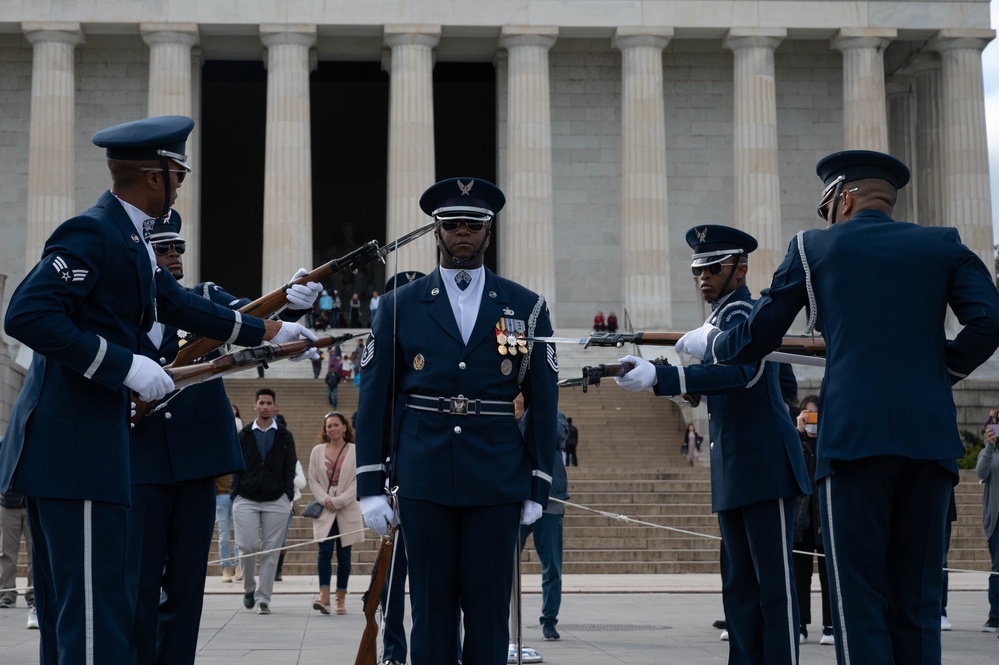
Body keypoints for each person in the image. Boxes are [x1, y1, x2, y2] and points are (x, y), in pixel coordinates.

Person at [0, 115, 315, 664]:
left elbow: (181, 305)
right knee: (93, 620)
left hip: (89, 449)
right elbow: (27, 313)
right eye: (179, 175)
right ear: (155, 177)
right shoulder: (95, 232)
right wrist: (121, 365)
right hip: (76, 452)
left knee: (76, 615)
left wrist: (275, 328)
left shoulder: (129, 240)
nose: (180, 186)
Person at [676, 150, 999, 664]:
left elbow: (762, 331)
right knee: (916, 603)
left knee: (857, 601)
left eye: (827, 205)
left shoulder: (812, 248)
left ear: (843, 198)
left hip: (853, 440)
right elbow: (988, 322)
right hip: (929, 439)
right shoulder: (943, 244)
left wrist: (711, 345)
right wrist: (943, 374)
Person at [355, 177, 558, 665]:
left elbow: (544, 403)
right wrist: (369, 485)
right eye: (452, 224)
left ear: (489, 233)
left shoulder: (527, 307)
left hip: (496, 478)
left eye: (473, 224)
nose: (462, 232)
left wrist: (539, 481)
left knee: (489, 615)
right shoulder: (400, 307)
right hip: (424, 477)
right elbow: (375, 399)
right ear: (436, 231)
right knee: (430, 611)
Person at [127, 213, 321, 664]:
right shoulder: (120, 309)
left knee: (186, 583)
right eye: (163, 249)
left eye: (178, 249)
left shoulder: (204, 299)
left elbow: (252, 316)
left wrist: (291, 305)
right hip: (138, 457)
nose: (174, 256)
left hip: (197, 459)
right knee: (136, 581)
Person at [616, 224, 810, 664]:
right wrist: (670, 381)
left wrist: (666, 377)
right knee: (741, 590)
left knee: (772, 591)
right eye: (698, 270)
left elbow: (744, 373)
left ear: (739, 270)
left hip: (764, 466)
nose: (703, 276)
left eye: (714, 267)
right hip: (739, 467)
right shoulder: (721, 318)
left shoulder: (746, 313)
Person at [232, 388, 300, 615]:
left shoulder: (284, 435)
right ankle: (249, 588)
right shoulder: (244, 435)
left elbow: (290, 468)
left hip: (276, 499)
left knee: (271, 552)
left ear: (275, 407)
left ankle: (264, 599)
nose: (265, 406)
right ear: (255, 406)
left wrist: (287, 495)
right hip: (246, 498)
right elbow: (236, 466)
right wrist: (235, 493)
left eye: (269, 403)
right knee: (247, 547)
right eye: (261, 402)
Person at [516, 395, 569, 641]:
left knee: (552, 566)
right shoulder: (506, 416)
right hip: (514, 498)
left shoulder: (553, 412)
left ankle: (549, 619)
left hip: (549, 499)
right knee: (501, 566)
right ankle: (500, 617)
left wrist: (533, 407)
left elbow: (558, 436)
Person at [308, 412, 363, 615]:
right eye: (328, 426)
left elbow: (358, 480)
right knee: (324, 552)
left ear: (344, 427)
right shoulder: (317, 451)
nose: (331, 429)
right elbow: (312, 479)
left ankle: (340, 598)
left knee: (344, 554)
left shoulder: (356, 451)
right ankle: (324, 596)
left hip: (346, 507)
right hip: (325, 507)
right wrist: (325, 500)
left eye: (335, 425)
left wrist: (339, 501)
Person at [792, 395, 833, 646]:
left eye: (816, 415)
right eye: (808, 416)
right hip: (801, 518)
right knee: (799, 575)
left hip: (825, 517)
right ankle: (800, 624)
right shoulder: (797, 441)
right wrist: (798, 433)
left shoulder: (829, 441)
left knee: (829, 575)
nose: (812, 421)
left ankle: (830, 625)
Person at [0, 488, 35, 629]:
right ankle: (7, 593)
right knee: (7, 553)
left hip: (31, 503)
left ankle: (34, 592)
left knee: (35, 552)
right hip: (7, 504)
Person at [978, 425, 999, 632]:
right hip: (997, 518)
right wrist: (989, 446)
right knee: (998, 566)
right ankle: (995, 615)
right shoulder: (989, 452)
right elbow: (981, 472)